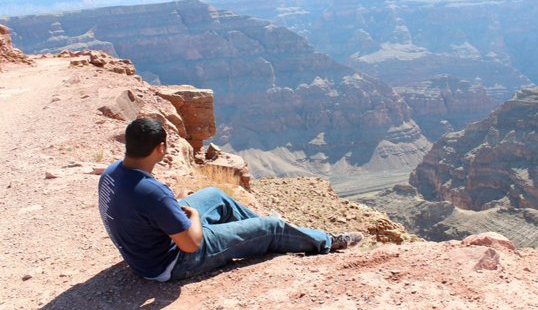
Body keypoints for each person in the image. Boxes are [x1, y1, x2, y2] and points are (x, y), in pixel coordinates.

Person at [98, 118, 362, 281]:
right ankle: (326, 240)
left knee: (215, 196)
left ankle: (268, 235)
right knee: (271, 227)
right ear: (160, 148)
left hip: (144, 251)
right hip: (171, 264)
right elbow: (191, 245)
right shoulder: (151, 192)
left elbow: (138, 209)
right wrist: (195, 218)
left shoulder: (111, 173)